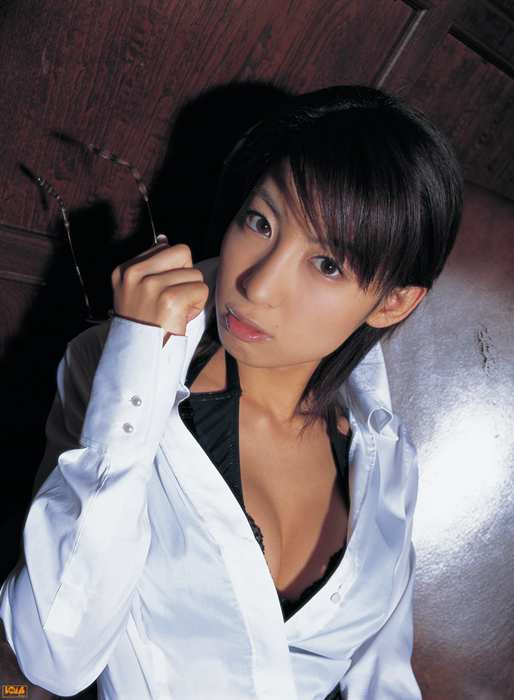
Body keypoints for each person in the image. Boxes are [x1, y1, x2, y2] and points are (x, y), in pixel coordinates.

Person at [0, 85, 463, 699]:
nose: (257, 284)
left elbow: (383, 677)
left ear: (394, 302)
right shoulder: (123, 382)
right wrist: (136, 366)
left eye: (327, 264)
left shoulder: (386, 457)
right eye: (261, 222)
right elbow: (51, 655)